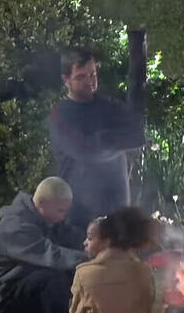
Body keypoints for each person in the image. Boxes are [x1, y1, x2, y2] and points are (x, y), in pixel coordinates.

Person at [0, 177, 87, 313]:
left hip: (26, 285)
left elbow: (71, 237)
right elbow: (52, 254)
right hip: (5, 301)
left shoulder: (46, 220)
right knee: (54, 280)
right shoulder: (15, 227)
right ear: (43, 203)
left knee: (85, 276)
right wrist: (90, 259)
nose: (63, 216)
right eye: (60, 211)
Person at [48, 47, 147, 230]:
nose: (90, 81)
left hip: (118, 212)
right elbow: (88, 151)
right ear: (66, 80)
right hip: (79, 217)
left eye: (92, 74)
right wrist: (116, 139)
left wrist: (104, 140)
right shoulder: (61, 115)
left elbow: (137, 134)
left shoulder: (109, 107)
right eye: (81, 77)